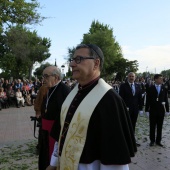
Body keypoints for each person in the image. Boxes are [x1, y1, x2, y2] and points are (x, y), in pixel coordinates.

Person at [47, 44, 136, 170]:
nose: (72, 64)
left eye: (78, 59)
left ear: (96, 63)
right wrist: (54, 162)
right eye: (72, 60)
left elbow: (114, 156)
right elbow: (63, 133)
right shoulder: (73, 93)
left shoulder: (110, 100)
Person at [38, 66, 71, 170]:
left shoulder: (64, 90)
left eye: (46, 76)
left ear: (56, 77)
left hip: (55, 132)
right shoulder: (50, 89)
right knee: (44, 157)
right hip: (46, 131)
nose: (43, 79)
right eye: (43, 76)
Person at [119, 72, 143, 147]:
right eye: (130, 76)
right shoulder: (123, 86)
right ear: (127, 77)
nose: (131, 77)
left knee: (133, 124)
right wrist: (123, 107)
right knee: (126, 125)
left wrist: (141, 108)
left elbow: (140, 98)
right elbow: (121, 98)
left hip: (135, 109)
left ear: (135, 77)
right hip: (127, 109)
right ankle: (125, 141)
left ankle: (133, 141)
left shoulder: (138, 86)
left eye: (133, 76)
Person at [145, 74, 169, 147]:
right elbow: (148, 100)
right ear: (155, 79)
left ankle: (158, 141)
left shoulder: (164, 88)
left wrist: (168, 110)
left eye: (162, 78)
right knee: (152, 126)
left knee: (160, 126)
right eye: (160, 78)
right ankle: (152, 140)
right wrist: (146, 110)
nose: (161, 80)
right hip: (153, 110)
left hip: (161, 110)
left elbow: (166, 99)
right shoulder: (150, 88)